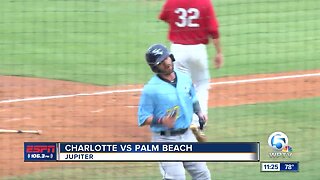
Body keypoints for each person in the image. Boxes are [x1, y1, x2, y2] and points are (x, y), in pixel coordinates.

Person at [138, 44, 211, 180]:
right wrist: (162, 121)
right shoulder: (151, 89)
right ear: (155, 67)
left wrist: (200, 113)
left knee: (203, 175)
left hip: (187, 136)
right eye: (161, 62)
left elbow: (193, 98)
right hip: (164, 140)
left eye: (167, 58)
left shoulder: (184, 78)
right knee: (176, 178)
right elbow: (143, 118)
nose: (166, 63)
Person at [159, 0, 223, 131]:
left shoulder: (172, 1)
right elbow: (214, 31)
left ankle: (177, 121)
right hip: (198, 51)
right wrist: (219, 53)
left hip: (177, 51)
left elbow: (165, 16)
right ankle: (198, 122)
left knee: (179, 85)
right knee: (202, 84)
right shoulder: (205, 3)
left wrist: (181, 28)